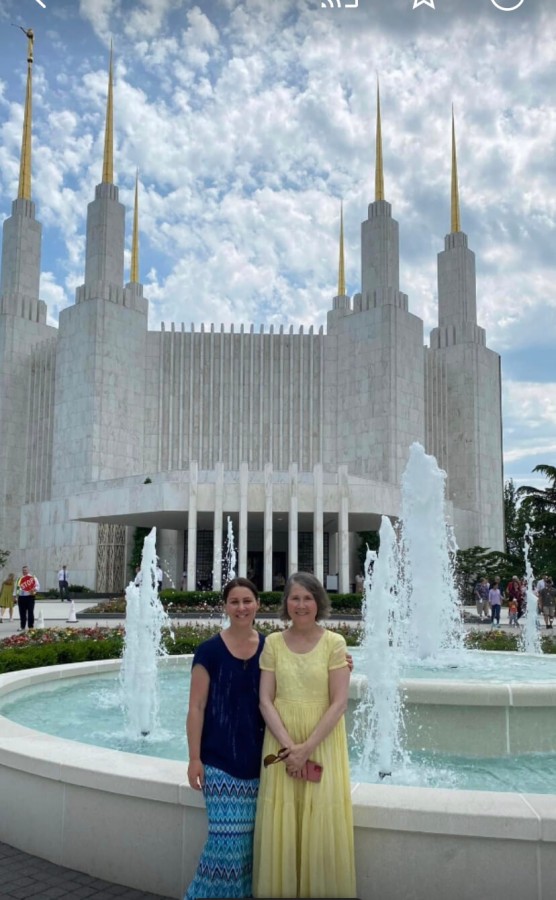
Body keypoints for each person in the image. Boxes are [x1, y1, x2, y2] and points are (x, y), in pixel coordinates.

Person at [253, 572, 356, 899]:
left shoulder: (335, 643)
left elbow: (339, 702)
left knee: (319, 819)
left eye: (308, 598)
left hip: (321, 740)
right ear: (286, 603)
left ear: (319, 602)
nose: (301, 605)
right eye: (295, 598)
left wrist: (306, 748)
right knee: (282, 816)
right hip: (282, 737)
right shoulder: (272, 643)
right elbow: (265, 699)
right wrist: (289, 748)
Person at [185, 577, 264, 900]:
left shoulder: (272, 648)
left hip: (259, 761)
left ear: (258, 604)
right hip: (218, 761)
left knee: (245, 850)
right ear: (225, 606)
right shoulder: (209, 651)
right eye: (234, 601)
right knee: (226, 845)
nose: (241, 607)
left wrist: (341, 664)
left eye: (247, 601)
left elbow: (305, 673)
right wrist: (194, 758)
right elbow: (196, 707)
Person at [13, 565, 40, 631]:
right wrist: (14, 597)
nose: (24, 571)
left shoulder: (33, 578)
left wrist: (34, 590)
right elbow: (16, 588)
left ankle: (31, 627)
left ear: (28, 570)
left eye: (25, 570)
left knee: (30, 612)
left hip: (30, 597)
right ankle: (22, 626)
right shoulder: (19, 579)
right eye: (23, 570)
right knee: (22, 613)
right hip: (21, 598)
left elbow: (38, 586)